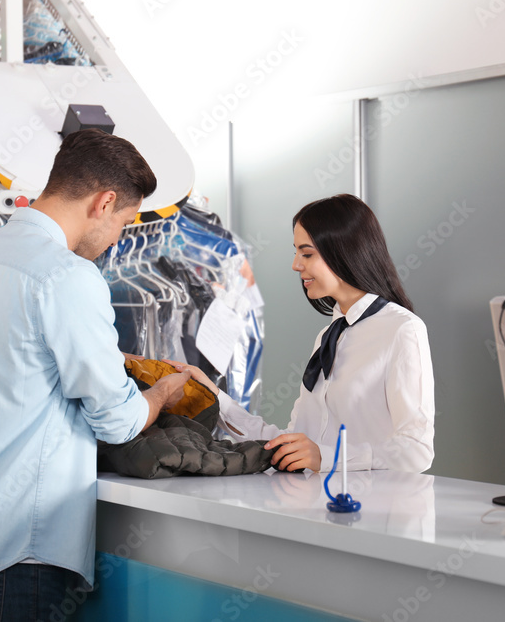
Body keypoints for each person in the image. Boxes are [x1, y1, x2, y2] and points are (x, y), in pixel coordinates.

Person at [0, 129, 190, 619]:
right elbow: (118, 420)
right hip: (14, 558)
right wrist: (165, 390)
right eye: (125, 222)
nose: (117, 240)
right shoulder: (67, 276)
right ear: (104, 203)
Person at [169, 194, 434, 474]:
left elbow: (417, 450)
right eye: (296, 252)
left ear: (344, 251)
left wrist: (326, 458)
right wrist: (213, 397)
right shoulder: (329, 337)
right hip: (313, 508)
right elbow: (293, 443)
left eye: (307, 253)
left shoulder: (401, 329)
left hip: (369, 511)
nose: (296, 264)